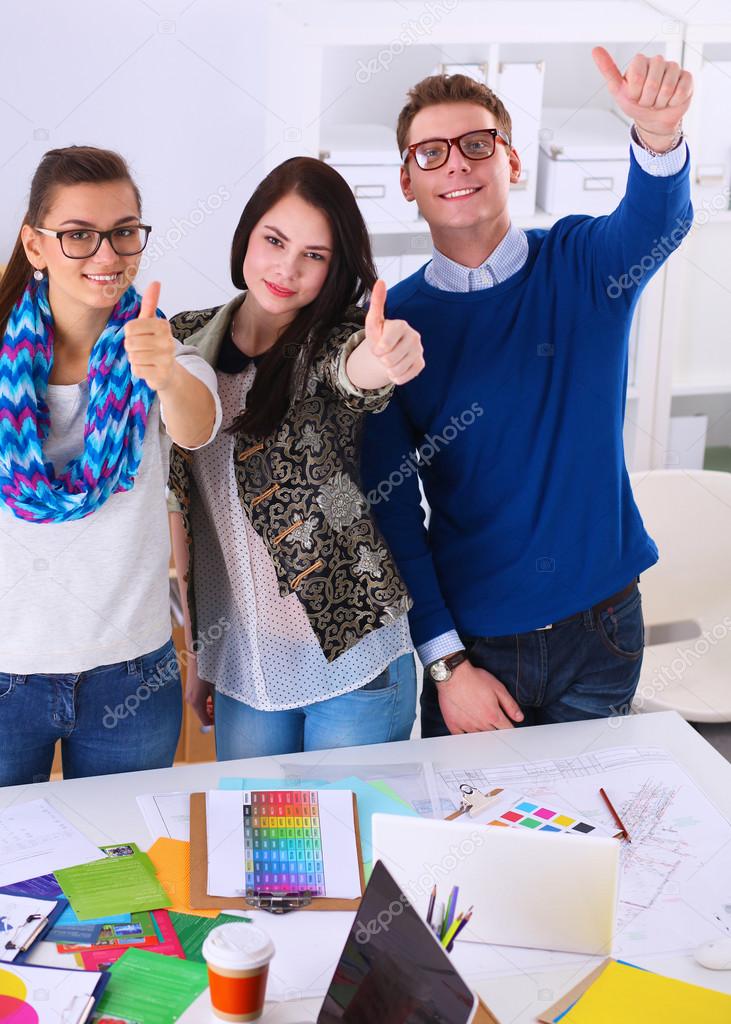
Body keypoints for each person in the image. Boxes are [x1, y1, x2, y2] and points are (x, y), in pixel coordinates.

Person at [361, 48, 694, 734]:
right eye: (431, 153)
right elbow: (392, 511)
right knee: (475, 831)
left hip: (601, 630)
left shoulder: (581, 264)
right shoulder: (390, 330)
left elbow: (655, 223)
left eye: (476, 145)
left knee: (590, 829)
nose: (456, 163)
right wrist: (447, 665)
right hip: (476, 649)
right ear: (406, 182)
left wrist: (657, 136)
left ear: (510, 163)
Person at [168, 156, 424, 759]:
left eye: (314, 255)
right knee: (256, 849)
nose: (287, 268)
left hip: (356, 655)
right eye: (275, 240)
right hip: (246, 665)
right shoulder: (187, 338)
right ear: (246, 236)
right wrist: (200, 654)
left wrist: (383, 356)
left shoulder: (336, 340)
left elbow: (356, 370)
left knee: (349, 848)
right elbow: (180, 502)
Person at [0, 146, 222, 784]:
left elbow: (196, 426)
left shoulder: (161, 352)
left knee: (122, 871)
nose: (106, 256)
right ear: (35, 246)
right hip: (8, 671)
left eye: (123, 233)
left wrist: (164, 374)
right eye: (78, 235)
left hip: (130, 674)